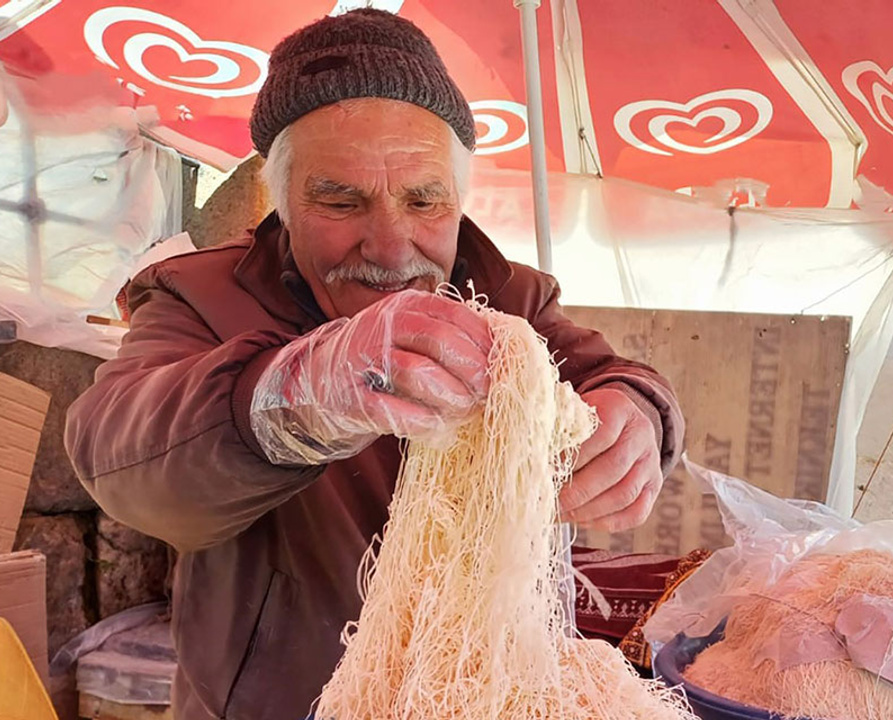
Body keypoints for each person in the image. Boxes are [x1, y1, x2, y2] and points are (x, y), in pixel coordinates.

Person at [63, 10, 684, 720]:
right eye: (340, 199)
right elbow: (119, 455)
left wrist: (640, 414)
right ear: (283, 201)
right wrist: (298, 396)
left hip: (480, 700)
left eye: (424, 200)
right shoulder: (200, 298)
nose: (392, 249)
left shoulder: (511, 299)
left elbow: (611, 377)